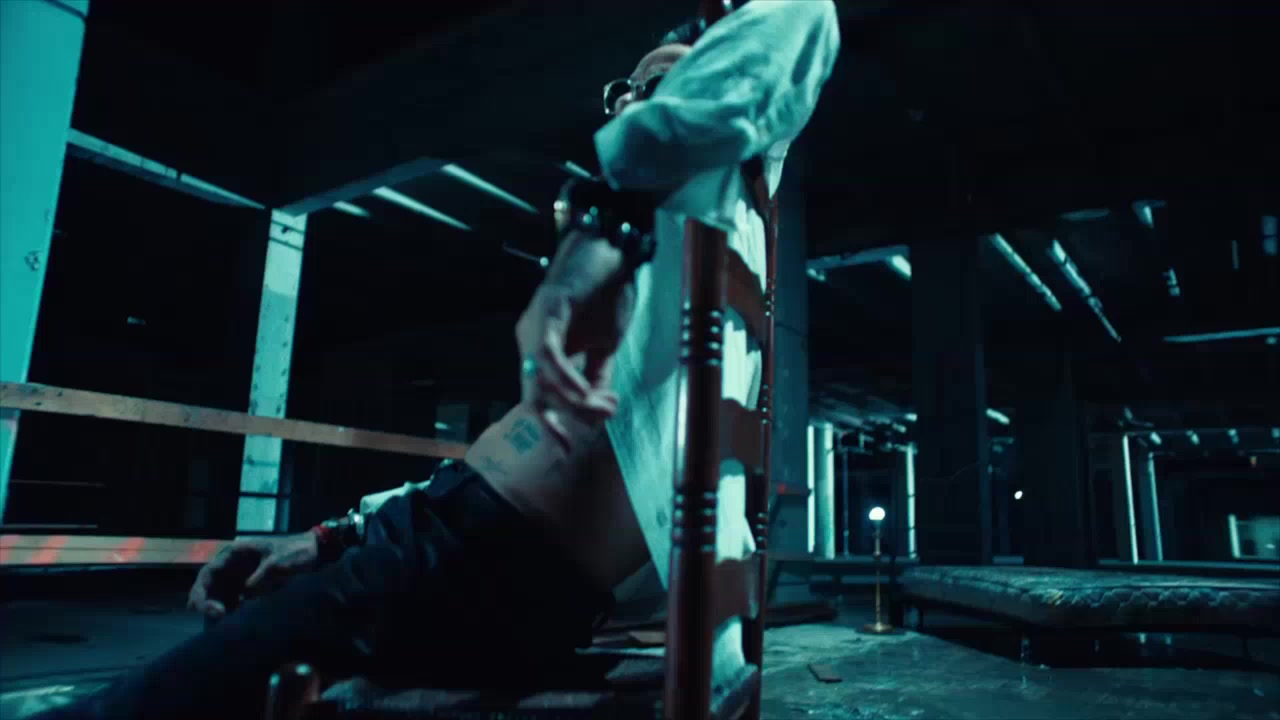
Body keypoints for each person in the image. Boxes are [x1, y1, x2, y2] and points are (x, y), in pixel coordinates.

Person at [32, 3, 840, 718]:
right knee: (216, 659)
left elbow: (802, 18)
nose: (633, 104)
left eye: (661, 84)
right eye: (622, 94)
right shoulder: (665, 290)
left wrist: (606, 218)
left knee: (147, 701)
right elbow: (494, 468)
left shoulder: (718, 198)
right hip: (459, 549)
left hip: (483, 557)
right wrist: (331, 535)